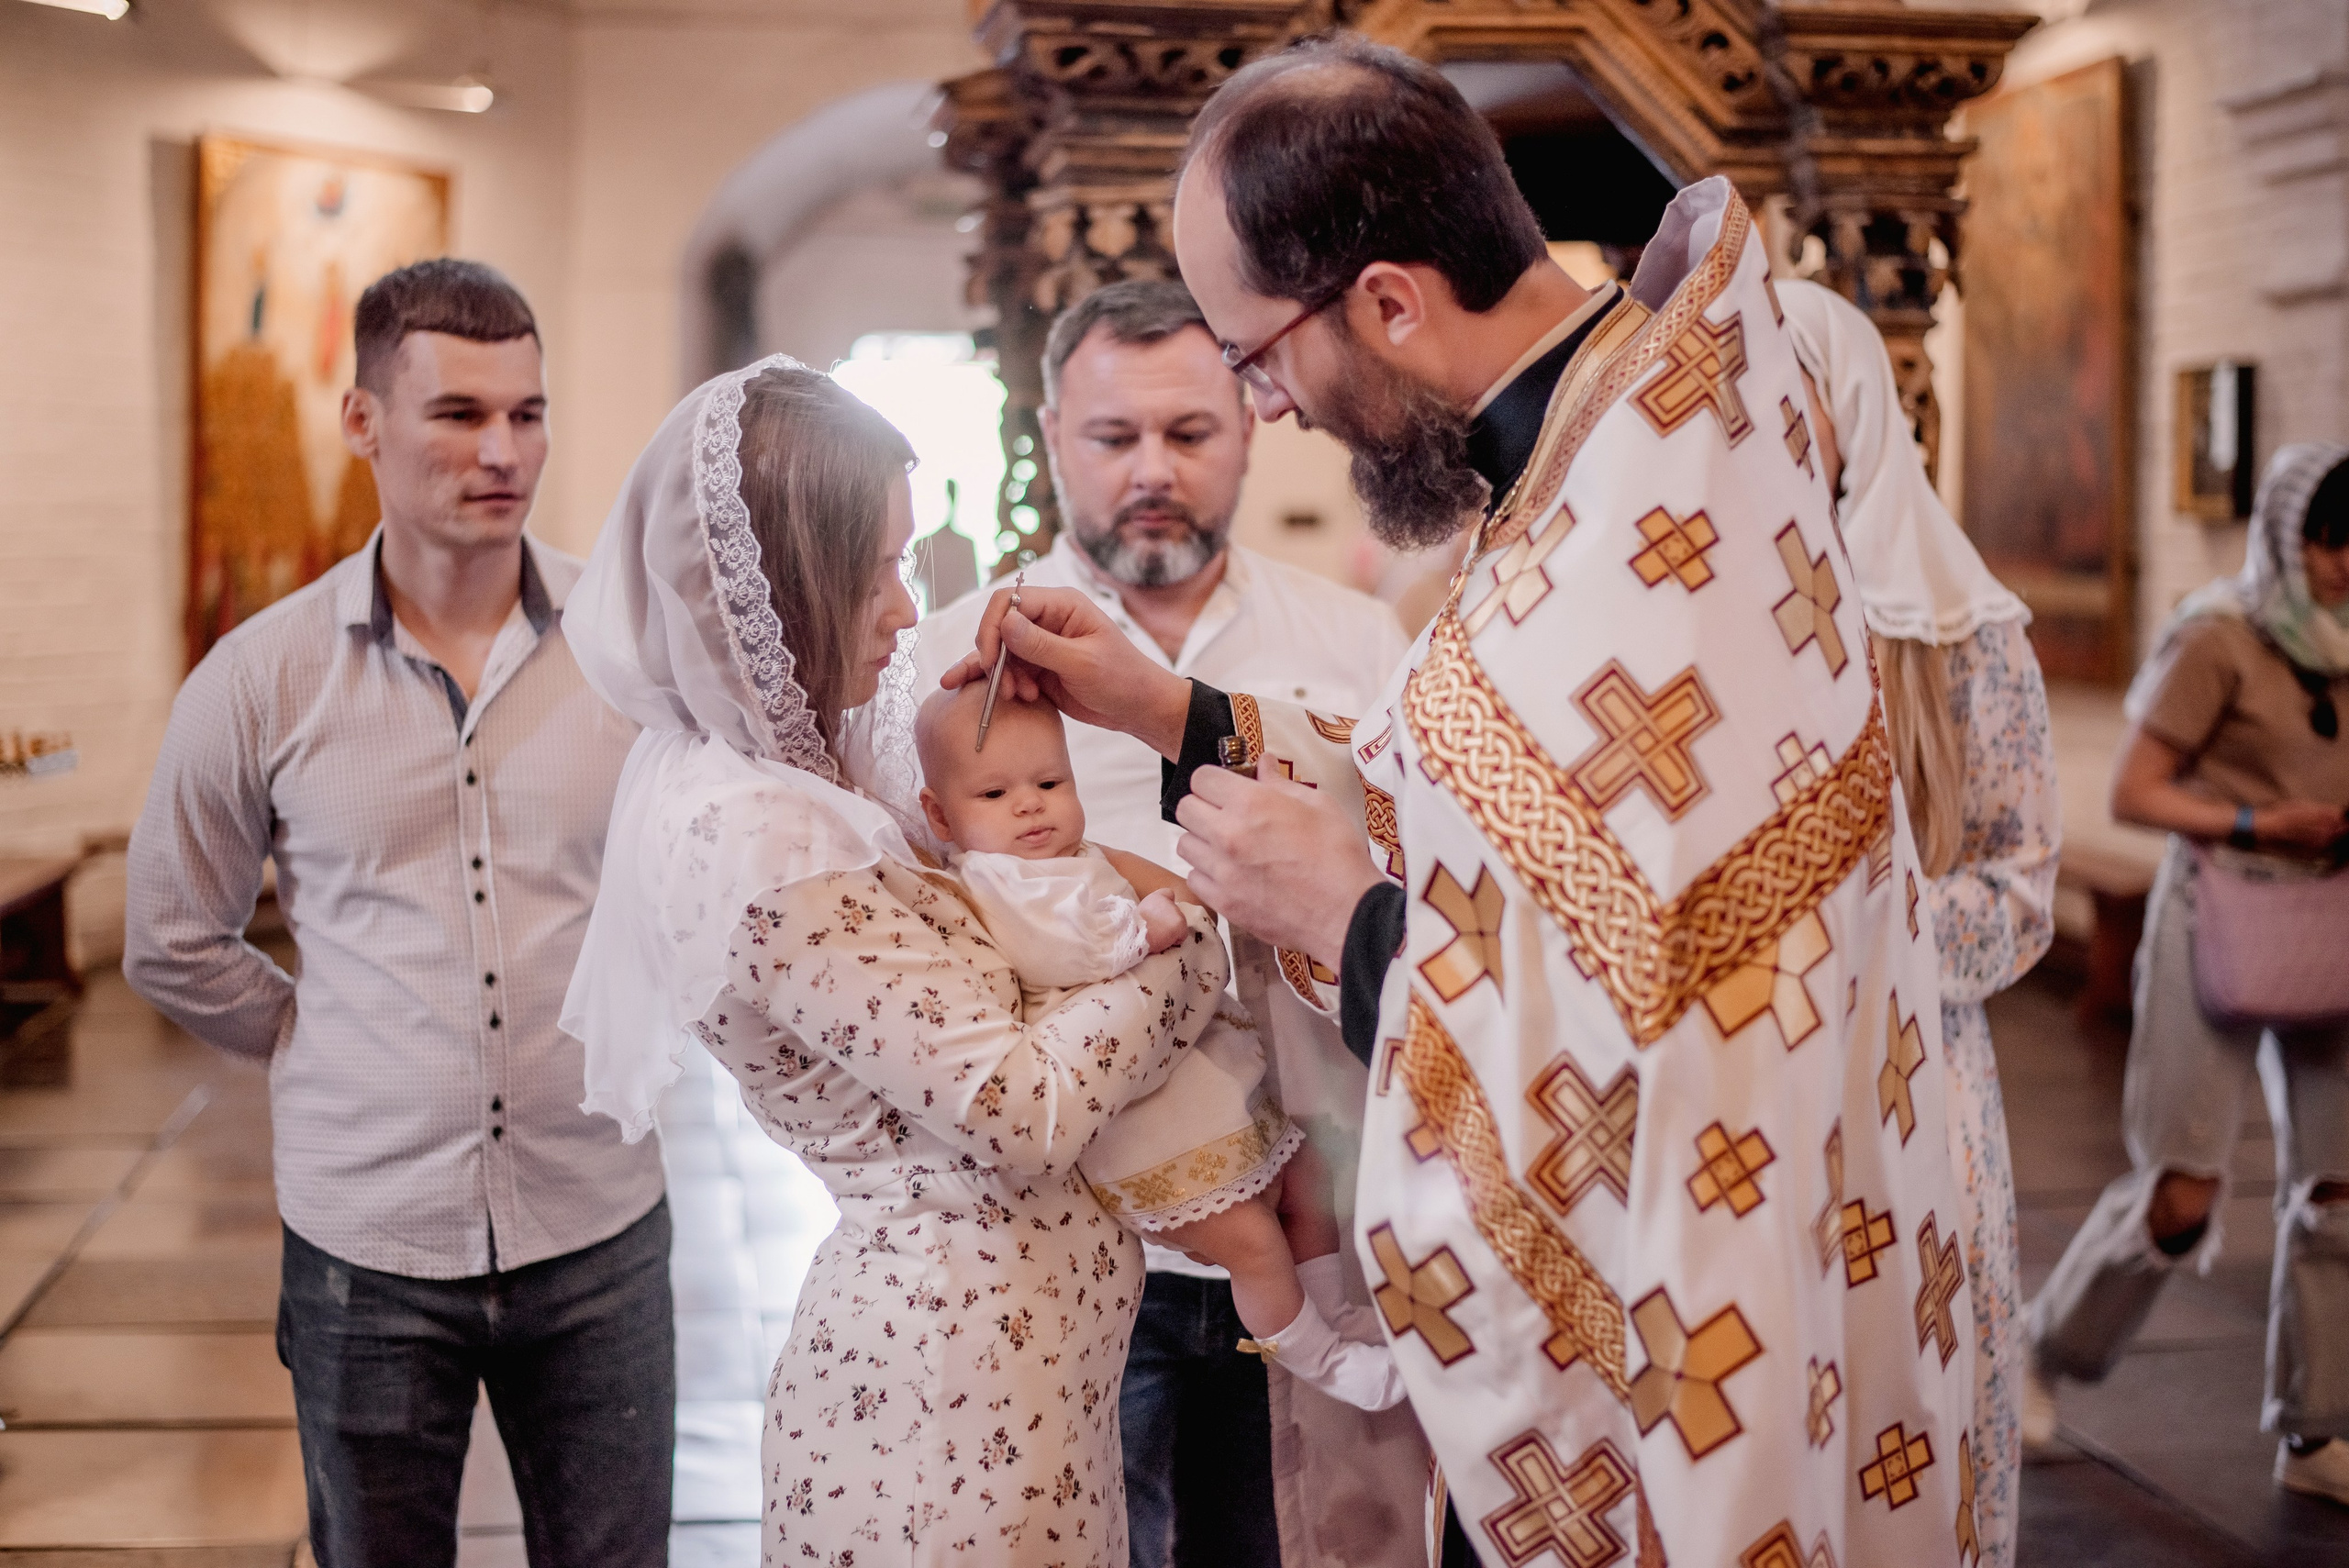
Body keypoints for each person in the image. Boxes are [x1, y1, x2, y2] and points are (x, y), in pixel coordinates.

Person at [941, 36, 1980, 1567]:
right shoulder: (1618, 460)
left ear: (1388, 301)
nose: (1270, 408)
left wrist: (1350, 922)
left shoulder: (1646, 529)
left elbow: (1673, 1033)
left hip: (1687, 1363)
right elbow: (1523, 835)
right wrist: (1178, 713)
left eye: (1255, 355)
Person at [561, 355, 1233, 1567]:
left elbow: (1002, 939)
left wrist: (1000, 765)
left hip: (1012, 1385)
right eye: (873, 568)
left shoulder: (814, 787)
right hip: (941, 1411)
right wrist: (1186, 949)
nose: (903, 607)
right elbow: (1017, 1106)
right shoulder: (753, 835)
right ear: (785, 584)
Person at [124, 260, 672, 1566]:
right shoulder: (262, 676)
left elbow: (693, 887)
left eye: (527, 414)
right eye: (460, 414)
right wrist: (327, 1040)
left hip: (596, 1218)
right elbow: (171, 935)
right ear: (364, 422)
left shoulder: (628, 651)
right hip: (366, 1247)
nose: (504, 451)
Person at [914, 276, 1415, 1568]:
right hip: (1066, 1242)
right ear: (1048, 434)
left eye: (1189, 434)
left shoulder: (1359, 644)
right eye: (1112, 437)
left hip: (1313, 1226)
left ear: (1254, 421)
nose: (1152, 471)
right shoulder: (950, 671)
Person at [912, 683, 1406, 1410]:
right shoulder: (994, 886)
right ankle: (1319, 1359)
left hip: (1208, 1086)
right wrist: (1153, 928)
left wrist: (1188, 898)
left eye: (1051, 782)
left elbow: (1183, 892)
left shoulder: (1080, 855)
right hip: (1153, 1130)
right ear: (940, 813)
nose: (1029, 804)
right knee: (1254, 1246)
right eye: (994, 793)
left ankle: (1335, 1312)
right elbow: (1069, 952)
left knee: (1307, 1182)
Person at [1782, 279, 2061, 1568]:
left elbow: (2016, 895)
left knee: (1912, 1419)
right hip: (1738, 1096)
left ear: (1848, 414)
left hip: (1911, 1087)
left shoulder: (1964, 637)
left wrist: (1845, 924)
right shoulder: (1669, 619)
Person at [2025, 442, 2349, 1505]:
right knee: (2180, 1194)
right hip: (2215, 911)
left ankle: (2314, 1434)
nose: (2343, 562)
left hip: (2329, 916)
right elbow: (2132, 792)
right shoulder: (2219, 636)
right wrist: (2257, 818)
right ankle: (2039, 1354)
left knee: (2338, 1192)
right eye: (2326, 538)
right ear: (2285, 535)